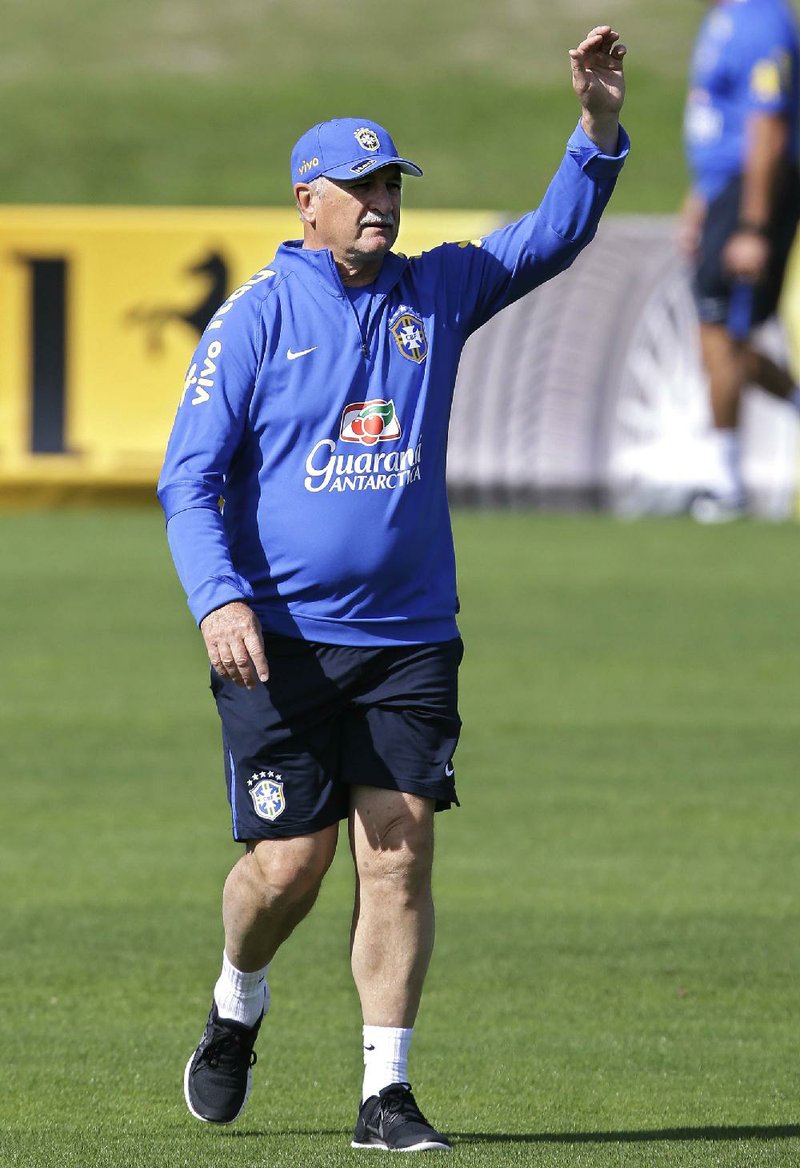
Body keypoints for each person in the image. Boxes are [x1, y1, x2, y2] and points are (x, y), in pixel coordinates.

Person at [157, 25, 628, 1153]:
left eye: (389, 184)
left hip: (411, 634)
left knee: (399, 843)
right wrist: (217, 597)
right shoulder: (258, 315)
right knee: (287, 866)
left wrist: (597, 127)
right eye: (358, 186)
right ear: (304, 201)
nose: (380, 201)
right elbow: (187, 475)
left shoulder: (438, 290)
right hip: (277, 640)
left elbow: (552, 235)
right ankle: (235, 1002)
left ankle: (385, 1094)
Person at [680, 0, 800, 521]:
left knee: (722, 330)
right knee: (724, 336)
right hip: (723, 191)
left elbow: (767, 125)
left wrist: (752, 224)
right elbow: (719, 117)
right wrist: (701, 195)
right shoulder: (724, 17)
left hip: (751, 193)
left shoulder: (761, 20)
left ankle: (724, 482)